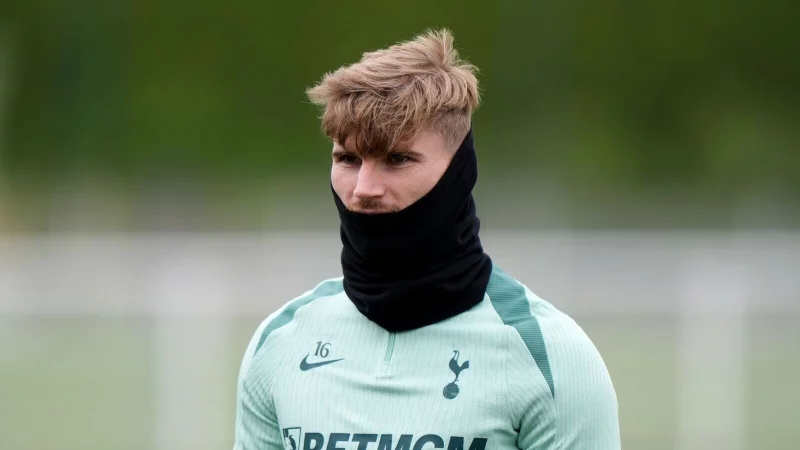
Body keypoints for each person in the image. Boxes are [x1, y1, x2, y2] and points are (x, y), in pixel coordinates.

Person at [233, 28, 620, 450]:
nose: (363, 187)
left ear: (458, 172)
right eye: (347, 158)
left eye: (397, 159)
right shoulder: (280, 342)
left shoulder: (551, 358)